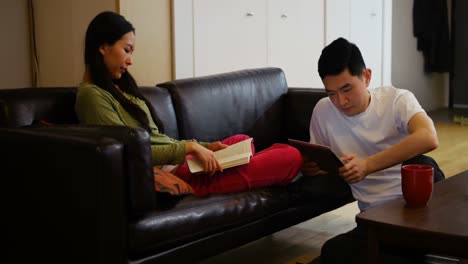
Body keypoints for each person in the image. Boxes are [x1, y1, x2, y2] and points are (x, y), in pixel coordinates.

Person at [75, 11, 303, 197]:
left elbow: (159, 141)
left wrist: (207, 146)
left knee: (243, 141)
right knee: (290, 156)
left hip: (183, 163)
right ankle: (230, 177)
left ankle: (236, 171)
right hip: (178, 174)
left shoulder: (120, 89)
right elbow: (130, 152)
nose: (130, 60)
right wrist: (191, 148)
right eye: (127, 50)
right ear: (103, 47)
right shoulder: (91, 96)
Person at [303, 37, 445, 263]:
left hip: (418, 208)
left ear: (367, 76)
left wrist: (368, 165)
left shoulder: (396, 100)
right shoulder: (323, 111)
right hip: (375, 218)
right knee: (333, 250)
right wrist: (316, 168)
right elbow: (328, 163)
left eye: (347, 88)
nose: (341, 101)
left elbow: (428, 137)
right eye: (331, 93)